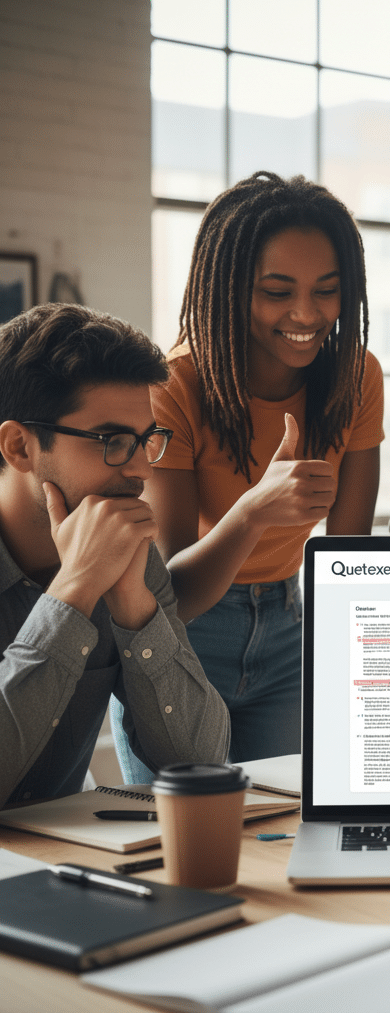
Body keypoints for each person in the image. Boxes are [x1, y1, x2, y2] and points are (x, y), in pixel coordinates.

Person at [113, 171, 383, 780]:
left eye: (328, 289)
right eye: (277, 291)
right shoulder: (173, 386)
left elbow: (351, 556)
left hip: (289, 630)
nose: (306, 313)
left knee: (282, 829)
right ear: (231, 288)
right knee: (174, 843)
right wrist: (253, 509)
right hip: (180, 635)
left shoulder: (356, 378)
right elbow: (170, 591)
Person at [0, 303, 229, 806]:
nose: (143, 470)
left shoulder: (132, 558)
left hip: (66, 862)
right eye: (112, 441)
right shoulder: (89, 564)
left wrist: (132, 600)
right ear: (20, 447)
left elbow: (204, 761)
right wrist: (74, 591)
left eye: (147, 440)